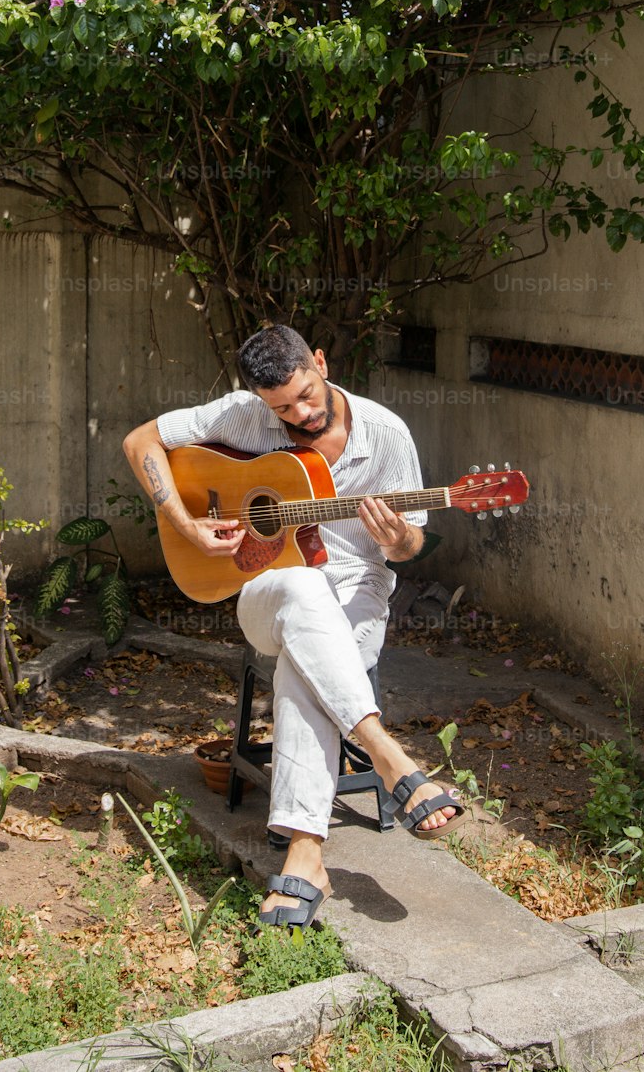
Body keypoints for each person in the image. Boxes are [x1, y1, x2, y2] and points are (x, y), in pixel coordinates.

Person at [122, 324, 464, 929]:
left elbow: (413, 543)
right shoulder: (242, 415)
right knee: (302, 584)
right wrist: (183, 522)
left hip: (357, 590)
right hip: (267, 593)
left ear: (322, 363)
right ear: (259, 399)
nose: (300, 413)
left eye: (306, 394)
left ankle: (306, 852)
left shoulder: (386, 436)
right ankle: (387, 755)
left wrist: (401, 538)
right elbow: (140, 440)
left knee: (305, 666)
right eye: (281, 406)